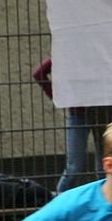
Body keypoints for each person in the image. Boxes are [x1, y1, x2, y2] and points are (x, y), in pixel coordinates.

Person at [30, 57, 95, 193]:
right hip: (79, 115)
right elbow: (39, 73)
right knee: (74, 167)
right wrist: (60, 97)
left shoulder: (99, 50)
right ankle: (58, 202)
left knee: (104, 167)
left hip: (102, 112)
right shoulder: (68, 50)